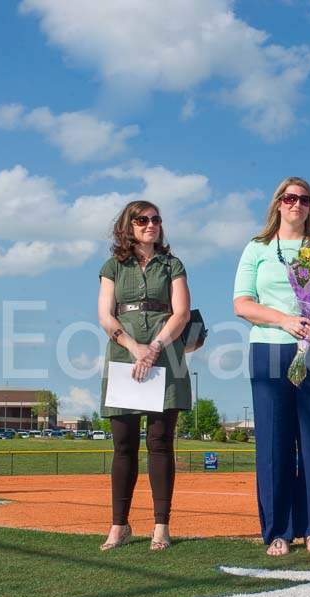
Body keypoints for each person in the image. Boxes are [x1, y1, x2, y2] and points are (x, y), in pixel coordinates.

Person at [233, 177, 310, 557]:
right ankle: (279, 529)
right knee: (274, 443)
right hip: (270, 351)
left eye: (304, 199)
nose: (296, 204)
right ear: (278, 203)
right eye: (289, 198)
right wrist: (284, 320)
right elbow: (242, 304)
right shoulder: (257, 248)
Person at [97, 200, 192, 551]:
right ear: (129, 225)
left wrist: (153, 348)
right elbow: (106, 315)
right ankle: (119, 526)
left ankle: (160, 526)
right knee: (123, 445)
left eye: (155, 219)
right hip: (124, 355)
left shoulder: (172, 264)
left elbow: (180, 313)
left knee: (160, 443)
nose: (150, 224)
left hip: (165, 356)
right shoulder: (113, 266)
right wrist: (134, 347)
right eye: (142, 220)